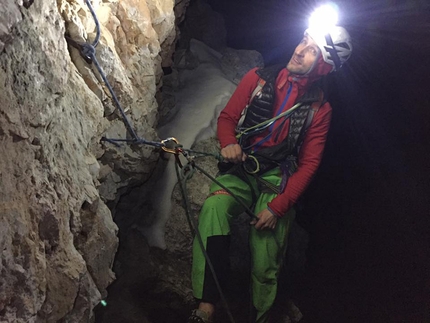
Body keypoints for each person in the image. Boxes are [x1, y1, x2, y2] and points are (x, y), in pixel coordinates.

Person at [188, 26, 353, 323]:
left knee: (266, 246)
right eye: (303, 40)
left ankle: (261, 315)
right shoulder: (258, 79)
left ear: (324, 66)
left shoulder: (319, 110)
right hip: (242, 168)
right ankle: (206, 305)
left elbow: (309, 164)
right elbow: (227, 118)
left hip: (278, 178)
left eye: (312, 49)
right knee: (213, 208)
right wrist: (229, 143)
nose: (300, 50)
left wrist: (277, 208)